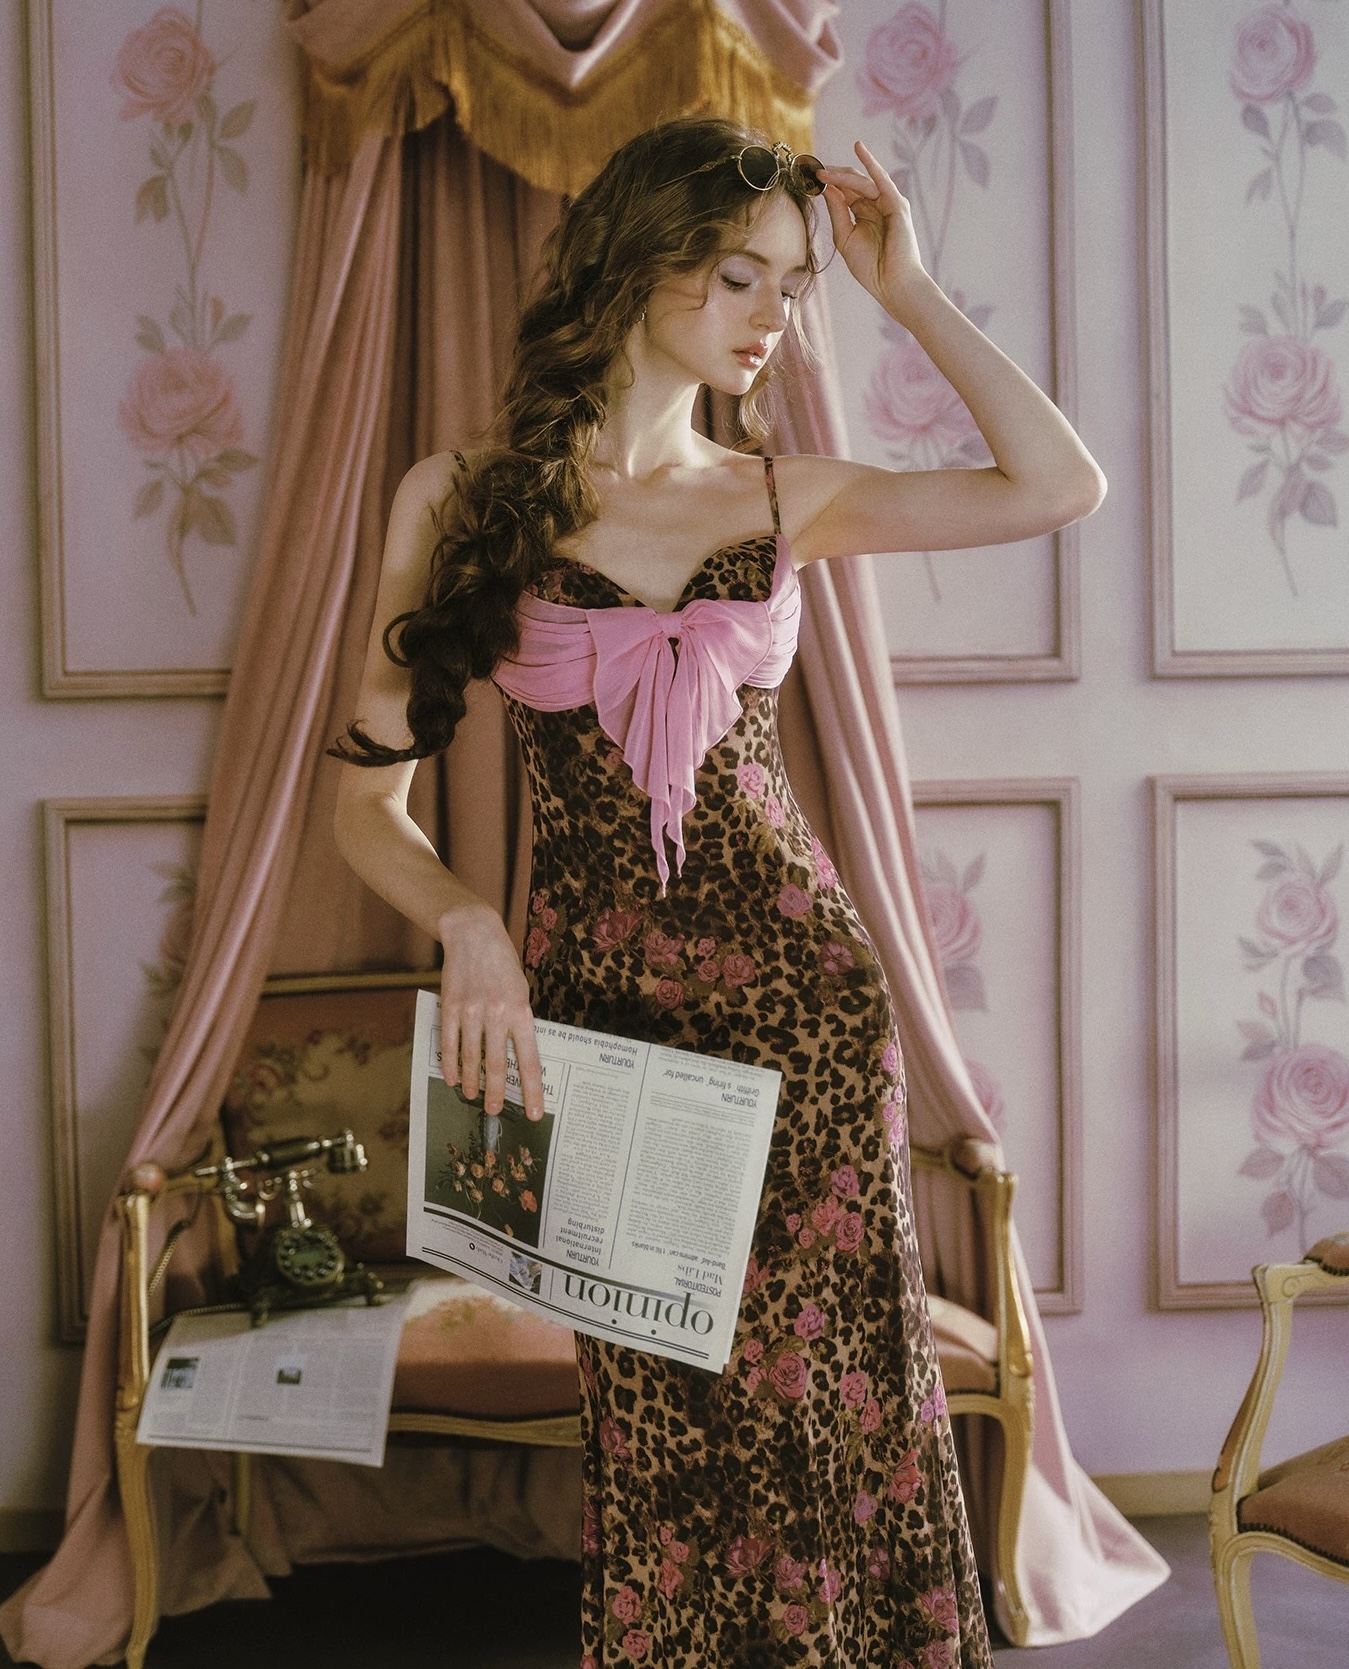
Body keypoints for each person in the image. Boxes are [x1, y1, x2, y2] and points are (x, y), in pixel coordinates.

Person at [333, 116, 1103, 1668]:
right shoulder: (459, 498)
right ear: (636, 261)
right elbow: (362, 805)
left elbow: (1057, 483)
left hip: (805, 1012)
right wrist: (467, 923)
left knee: (832, 1412)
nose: (774, 317)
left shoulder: (781, 495)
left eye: (793, 286)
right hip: (599, 1019)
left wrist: (907, 289)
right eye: (739, 275)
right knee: (664, 1439)